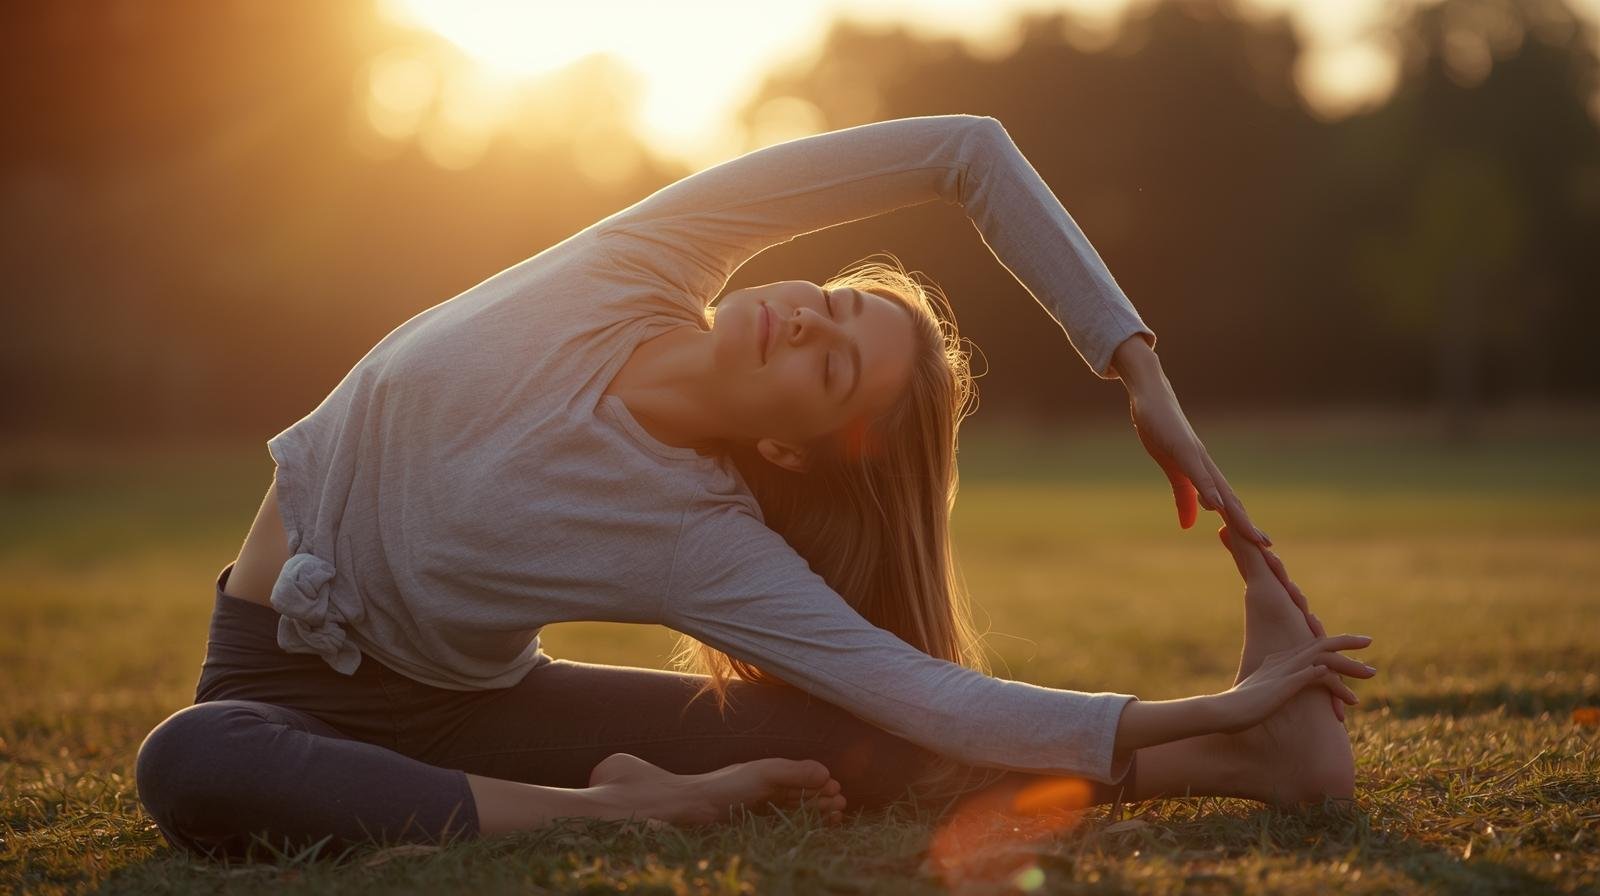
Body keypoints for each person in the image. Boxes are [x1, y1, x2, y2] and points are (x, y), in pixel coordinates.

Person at [133, 114, 1373, 861]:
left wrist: (1191, 707)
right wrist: (1133, 363)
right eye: (832, 305)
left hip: (462, 714)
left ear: (796, 450)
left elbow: (930, 693)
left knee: (858, 736)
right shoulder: (641, 257)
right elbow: (964, 149)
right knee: (191, 755)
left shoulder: (701, 537)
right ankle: (617, 813)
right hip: (273, 682)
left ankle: (1256, 756)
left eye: (835, 368)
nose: (807, 324)